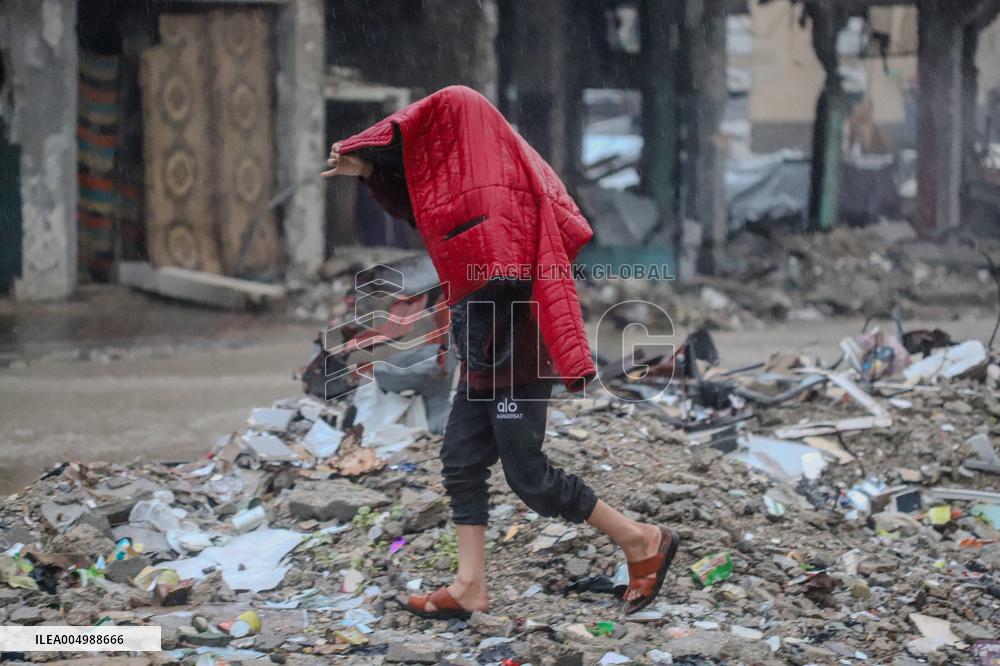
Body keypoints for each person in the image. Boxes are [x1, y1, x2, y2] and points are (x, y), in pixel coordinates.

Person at [322, 86, 678, 617]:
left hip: (515, 348)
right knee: (461, 459)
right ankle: (470, 585)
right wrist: (371, 170)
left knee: (528, 476)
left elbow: (502, 261)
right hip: (481, 348)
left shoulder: (502, 183)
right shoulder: (466, 182)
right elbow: (431, 213)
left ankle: (640, 539)